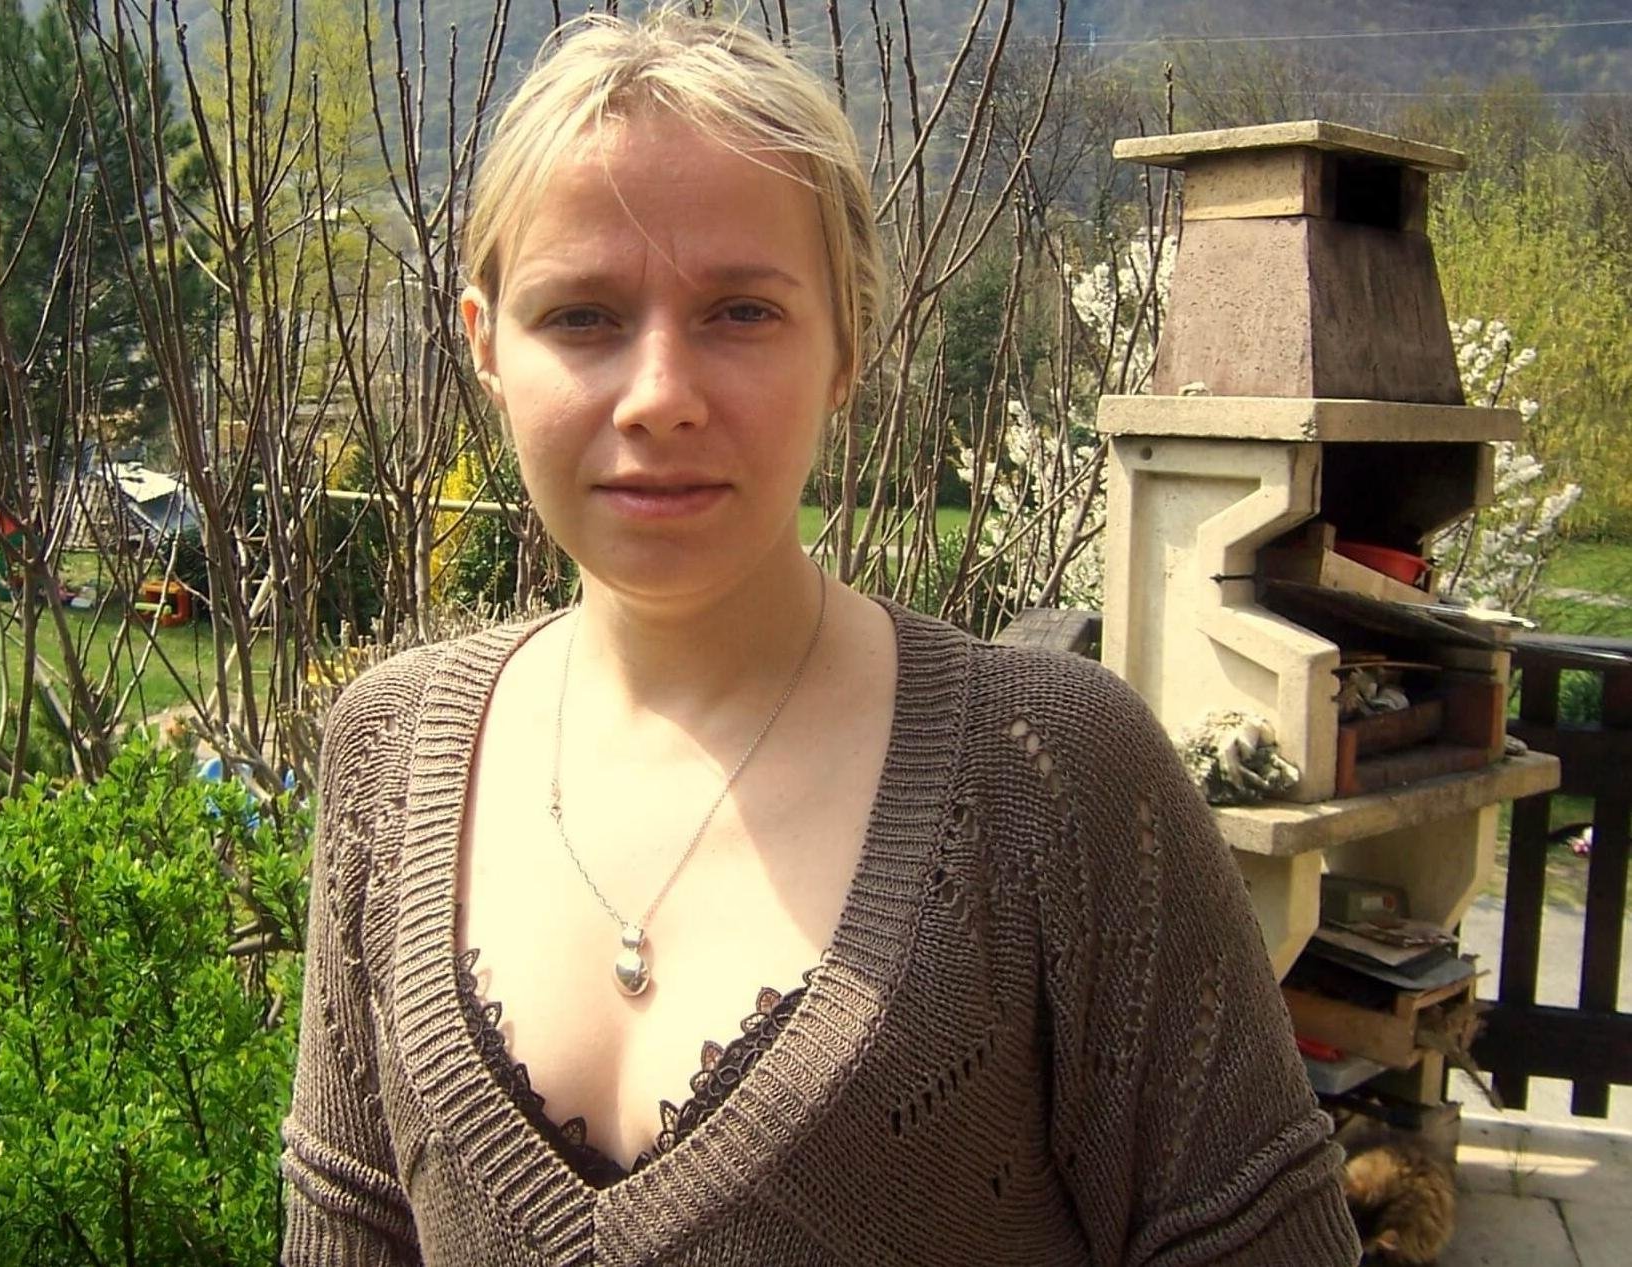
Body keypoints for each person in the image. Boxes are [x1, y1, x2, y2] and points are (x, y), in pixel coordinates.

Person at [279, 10, 1361, 1265]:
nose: (659, 396)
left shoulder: (1056, 781)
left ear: (846, 343)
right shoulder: (389, 756)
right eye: (579, 315)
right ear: (484, 344)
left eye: (740, 311)